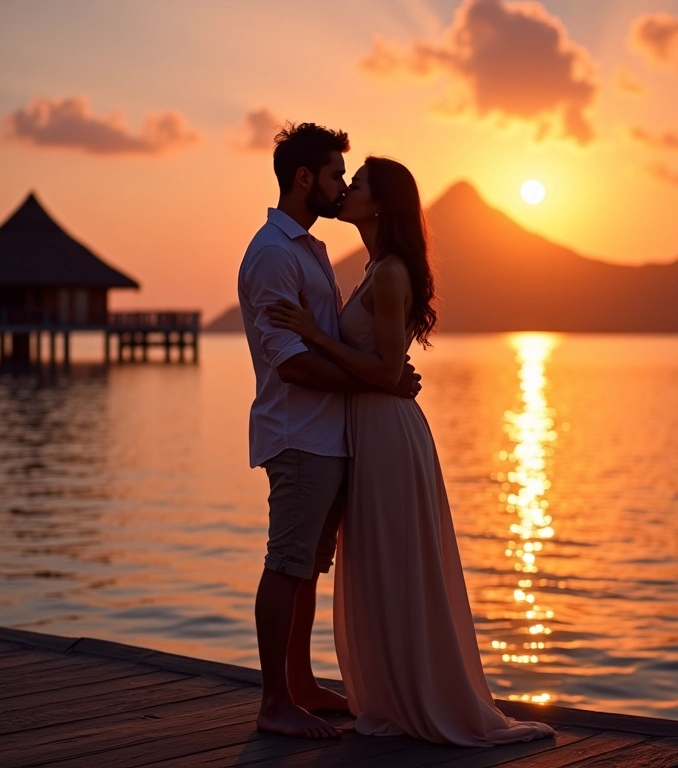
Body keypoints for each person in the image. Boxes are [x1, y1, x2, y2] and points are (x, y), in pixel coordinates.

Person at [266, 156, 556, 745]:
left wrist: (315, 335)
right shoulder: (373, 269)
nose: (346, 189)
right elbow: (383, 367)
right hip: (367, 432)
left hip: (390, 435)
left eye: (357, 183)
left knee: (397, 564)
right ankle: (395, 693)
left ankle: (422, 697)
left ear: (379, 204)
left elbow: (386, 370)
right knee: (378, 565)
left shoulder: (390, 272)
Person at [238, 125, 422, 740]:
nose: (342, 186)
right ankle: (274, 702)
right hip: (299, 434)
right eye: (336, 175)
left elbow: (334, 344)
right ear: (304, 179)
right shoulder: (273, 253)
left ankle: (300, 684)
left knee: (309, 567)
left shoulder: (310, 249)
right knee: (287, 563)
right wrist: (380, 384)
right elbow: (290, 362)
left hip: (330, 434)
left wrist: (374, 380)